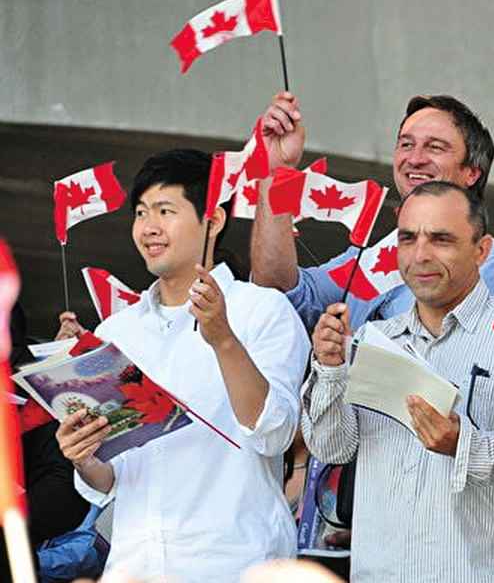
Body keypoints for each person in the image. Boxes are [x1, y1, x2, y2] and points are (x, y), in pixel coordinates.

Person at [53, 149, 308, 582]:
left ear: (213, 220)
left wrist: (223, 338)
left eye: (165, 211)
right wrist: (82, 456)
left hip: (234, 564)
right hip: (135, 566)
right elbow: (114, 478)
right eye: (140, 213)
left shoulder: (261, 310)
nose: (149, 227)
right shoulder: (117, 332)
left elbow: (276, 432)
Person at [302, 181, 494, 582]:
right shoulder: (374, 338)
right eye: (408, 238)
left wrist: (466, 445)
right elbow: (332, 447)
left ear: (481, 250)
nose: (421, 255)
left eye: (441, 239)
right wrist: (329, 369)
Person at [250, 91, 494, 333]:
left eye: (435, 147)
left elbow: (445, 367)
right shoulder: (374, 255)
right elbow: (280, 293)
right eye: (406, 144)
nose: (414, 159)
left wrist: (351, 353)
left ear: (471, 172)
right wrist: (276, 171)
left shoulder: (490, 261)